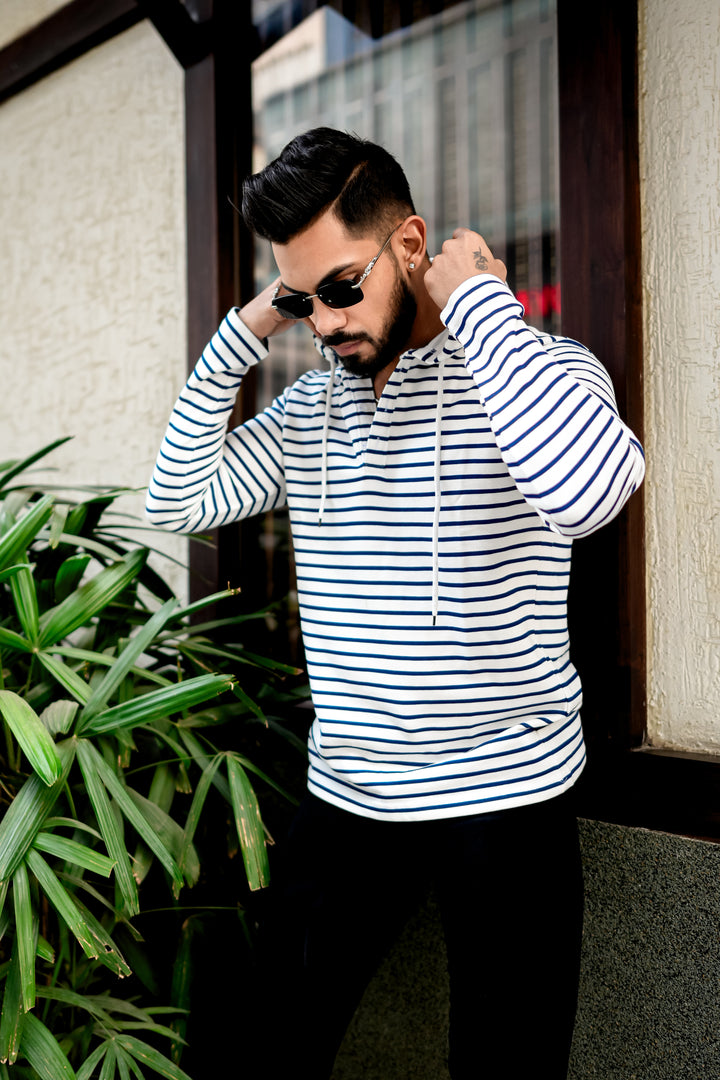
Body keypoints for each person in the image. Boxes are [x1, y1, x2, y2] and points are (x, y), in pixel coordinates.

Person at [147, 127, 644, 1078]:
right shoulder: (312, 410)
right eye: (305, 300)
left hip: (508, 794)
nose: (325, 324)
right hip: (349, 792)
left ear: (409, 245)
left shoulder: (537, 371)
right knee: (263, 1049)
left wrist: (483, 308)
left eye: (342, 287)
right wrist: (249, 327)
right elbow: (178, 497)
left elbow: (590, 496)